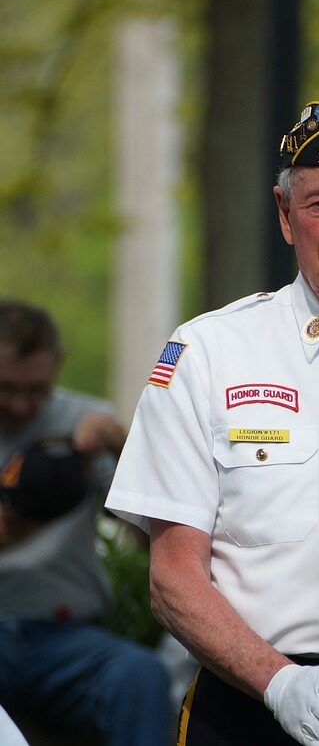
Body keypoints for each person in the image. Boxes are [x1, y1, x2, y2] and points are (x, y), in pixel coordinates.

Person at [105, 89, 319, 746]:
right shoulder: (210, 353)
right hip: (252, 699)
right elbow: (173, 577)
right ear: (285, 214)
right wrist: (279, 682)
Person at [0, 300, 173, 746]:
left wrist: (122, 445)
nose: (21, 404)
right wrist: (30, 507)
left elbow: (149, 538)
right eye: (6, 388)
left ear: (58, 364)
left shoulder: (84, 422)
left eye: (35, 389)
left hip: (63, 638)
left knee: (140, 675)